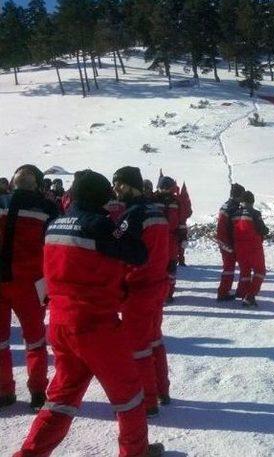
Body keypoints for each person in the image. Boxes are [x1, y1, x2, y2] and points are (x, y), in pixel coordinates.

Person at [13, 170, 164, 457]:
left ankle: (29, 454)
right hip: (96, 327)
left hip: (59, 324)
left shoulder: (55, 224)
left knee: (61, 399)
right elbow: (137, 253)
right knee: (129, 395)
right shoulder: (101, 226)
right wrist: (125, 223)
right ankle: (136, 452)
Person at [112, 167, 171, 416]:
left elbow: (117, 248)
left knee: (138, 347)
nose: (115, 190)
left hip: (138, 288)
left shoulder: (132, 216)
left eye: (118, 185)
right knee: (155, 339)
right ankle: (162, 390)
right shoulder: (156, 211)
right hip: (158, 285)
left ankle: (147, 402)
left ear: (127, 185)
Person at [0, 165, 58, 410]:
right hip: (31, 283)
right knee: (35, 341)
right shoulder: (47, 208)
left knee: (1, 342)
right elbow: (57, 248)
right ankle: (37, 393)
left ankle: (4, 393)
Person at [231, 190, 268, 307]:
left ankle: (243, 293)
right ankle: (250, 296)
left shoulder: (235, 213)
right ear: (252, 201)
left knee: (245, 271)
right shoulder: (255, 213)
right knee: (260, 271)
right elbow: (262, 229)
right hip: (253, 246)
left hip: (239, 247)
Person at [216, 183, 245, 302]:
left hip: (225, 241)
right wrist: (228, 245)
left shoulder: (227, 205)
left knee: (229, 267)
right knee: (229, 268)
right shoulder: (232, 207)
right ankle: (223, 293)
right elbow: (228, 227)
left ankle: (225, 291)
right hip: (227, 242)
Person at [154, 176, 180, 304]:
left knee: (171, 268)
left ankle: (168, 294)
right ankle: (159, 293)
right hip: (157, 238)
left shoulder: (175, 201)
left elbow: (181, 219)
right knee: (158, 268)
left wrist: (183, 234)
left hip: (172, 239)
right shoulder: (152, 200)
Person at [176, 183, 192, 267]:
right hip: (182, 226)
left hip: (174, 226)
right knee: (182, 244)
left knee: (175, 243)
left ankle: (174, 259)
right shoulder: (184, 199)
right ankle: (181, 260)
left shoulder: (173, 199)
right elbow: (189, 212)